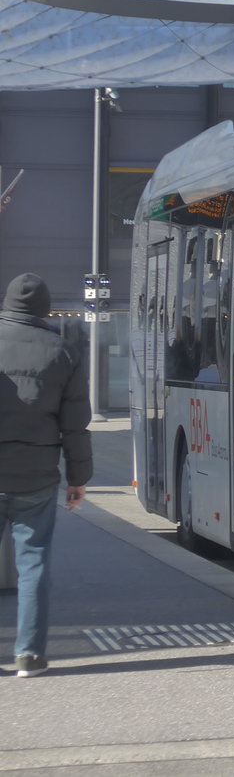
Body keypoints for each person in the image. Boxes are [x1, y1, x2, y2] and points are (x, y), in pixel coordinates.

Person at [0, 273, 91, 678]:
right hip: (36, 476)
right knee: (33, 564)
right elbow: (75, 425)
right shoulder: (63, 351)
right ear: (43, 309)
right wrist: (78, 478)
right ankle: (29, 656)